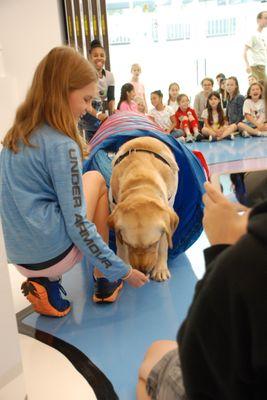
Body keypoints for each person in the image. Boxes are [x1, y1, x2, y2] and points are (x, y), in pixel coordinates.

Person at [0, 46, 148, 318]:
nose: (87, 109)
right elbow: (77, 223)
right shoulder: (61, 145)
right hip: (54, 254)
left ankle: (47, 285)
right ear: (62, 92)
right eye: (85, 99)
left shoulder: (14, 136)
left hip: (21, 258)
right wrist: (120, 269)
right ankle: (104, 278)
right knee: (95, 179)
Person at [137, 181, 267, 400]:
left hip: (217, 382)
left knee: (154, 355)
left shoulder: (250, 258)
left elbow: (199, 372)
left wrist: (223, 248)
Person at [79, 39, 115, 141]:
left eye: (102, 55)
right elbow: (85, 104)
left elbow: (111, 99)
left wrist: (114, 113)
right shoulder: (85, 75)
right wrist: (98, 115)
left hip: (98, 108)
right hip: (85, 112)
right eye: (95, 55)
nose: (99, 58)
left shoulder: (109, 76)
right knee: (93, 141)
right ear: (90, 57)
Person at [244, 11, 267, 81]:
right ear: (258, 20)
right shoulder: (253, 34)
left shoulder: (262, 35)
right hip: (256, 67)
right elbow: (244, 51)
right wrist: (247, 65)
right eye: (265, 18)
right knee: (263, 88)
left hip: (262, 66)